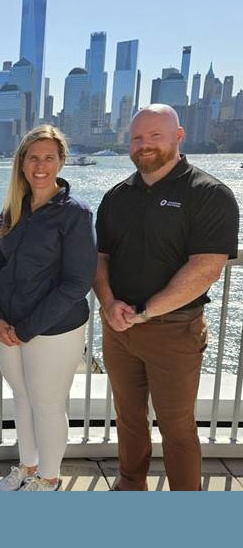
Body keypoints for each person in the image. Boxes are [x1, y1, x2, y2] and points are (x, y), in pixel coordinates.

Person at [93, 104, 239, 491]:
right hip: (119, 329)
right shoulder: (116, 196)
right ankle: (130, 486)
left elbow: (206, 268)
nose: (144, 145)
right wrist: (109, 305)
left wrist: (145, 312)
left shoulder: (209, 194)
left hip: (175, 331)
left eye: (155, 136)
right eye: (137, 138)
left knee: (176, 427)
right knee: (128, 418)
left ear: (178, 136)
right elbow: (99, 259)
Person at [0, 125, 97, 492]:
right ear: (22, 163)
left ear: (61, 161)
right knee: (22, 397)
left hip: (55, 330)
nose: (41, 165)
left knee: (46, 404)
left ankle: (49, 480)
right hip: (9, 327)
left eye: (49, 157)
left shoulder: (76, 214)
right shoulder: (12, 209)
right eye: (33, 157)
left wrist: (26, 328)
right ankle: (28, 469)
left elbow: (77, 284)